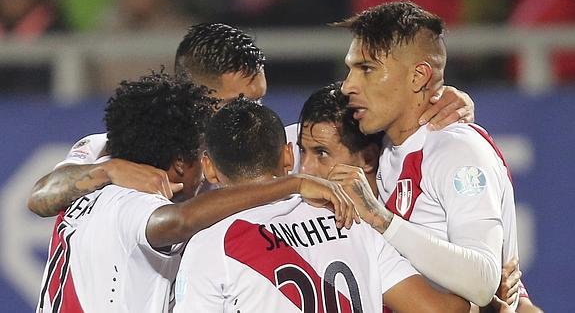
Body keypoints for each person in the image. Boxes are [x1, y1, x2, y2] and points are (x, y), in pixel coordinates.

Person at [27, 22, 475, 219]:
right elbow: (41, 197)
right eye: (236, 102)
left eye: (259, 99)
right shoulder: (125, 146)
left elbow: (366, 138)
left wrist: (437, 99)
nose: (254, 114)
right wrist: (105, 171)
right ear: (194, 98)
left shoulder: (279, 150)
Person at [36, 72, 353, 312]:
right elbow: (180, 220)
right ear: (178, 163)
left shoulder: (95, 167)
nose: (205, 166)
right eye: (200, 153)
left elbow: (46, 193)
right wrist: (291, 184)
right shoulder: (131, 202)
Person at [173, 98, 470, 312]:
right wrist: (488, 293)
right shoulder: (349, 218)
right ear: (289, 156)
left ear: (209, 168)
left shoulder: (213, 245)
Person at [327, 0, 522, 308]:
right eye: (350, 69)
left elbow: (483, 280)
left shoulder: (457, 150)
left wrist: (382, 220)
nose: (348, 86)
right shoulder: (381, 145)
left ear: (418, 76)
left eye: (366, 69)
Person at [298, 82, 538, 312]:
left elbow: (515, 302)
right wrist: (486, 304)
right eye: (301, 150)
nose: (304, 170)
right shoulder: (300, 193)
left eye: (321, 154)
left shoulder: (405, 217)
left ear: (369, 159)